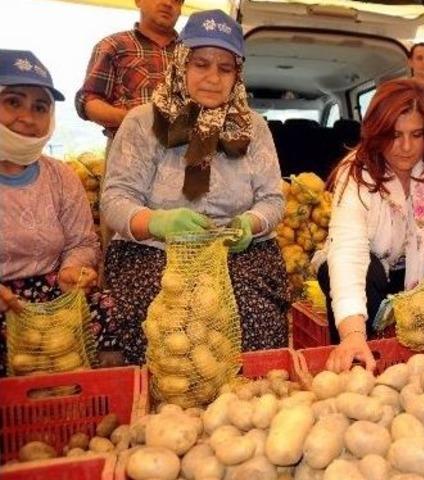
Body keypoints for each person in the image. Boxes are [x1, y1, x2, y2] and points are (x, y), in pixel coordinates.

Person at [100, 10, 288, 365]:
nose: (213, 78)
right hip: (154, 252)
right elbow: (115, 199)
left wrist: (251, 223)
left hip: (237, 254)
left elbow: (273, 200)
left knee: (250, 314)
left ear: (238, 74)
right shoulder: (142, 122)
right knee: (165, 324)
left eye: (225, 68)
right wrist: (158, 222)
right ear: (181, 64)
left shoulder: (254, 127)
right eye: (201, 64)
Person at [316, 79, 424, 373]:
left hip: (418, 266)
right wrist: (352, 335)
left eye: (416, 134)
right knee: (368, 272)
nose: (406, 147)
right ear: (376, 132)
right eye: (394, 135)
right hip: (367, 273)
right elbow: (348, 255)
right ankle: (363, 362)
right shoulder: (355, 174)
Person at [0, 50, 111, 376]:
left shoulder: (60, 176)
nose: (28, 117)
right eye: (13, 102)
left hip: (52, 296)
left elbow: (81, 241)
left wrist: (73, 270)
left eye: (40, 107)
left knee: (111, 310)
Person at [76, 0, 181, 138]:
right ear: (138, 1)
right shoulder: (113, 45)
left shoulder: (192, 52)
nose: (168, 3)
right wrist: (133, 119)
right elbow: (89, 101)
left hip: (182, 152)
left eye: (177, 0)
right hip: (127, 146)